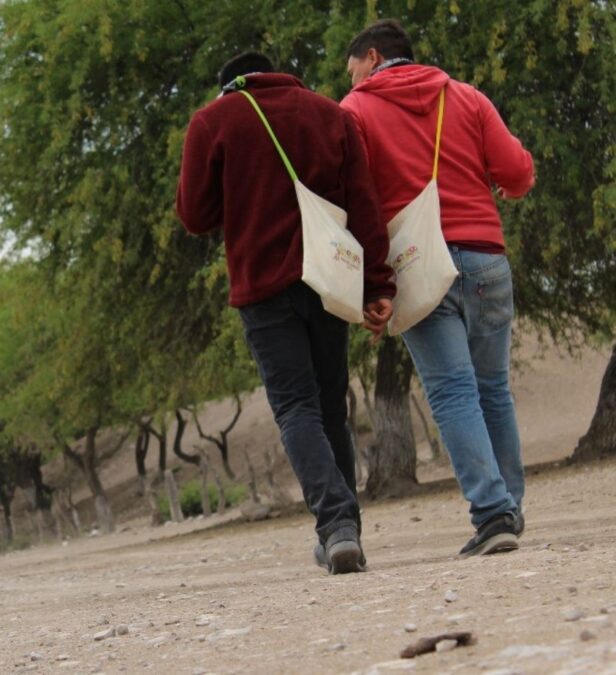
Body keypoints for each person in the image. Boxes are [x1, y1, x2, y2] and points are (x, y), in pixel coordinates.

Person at [176, 51, 395, 574]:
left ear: (227, 85)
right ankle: (346, 531)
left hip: (262, 285)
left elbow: (195, 215)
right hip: (330, 281)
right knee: (329, 406)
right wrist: (377, 285)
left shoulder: (212, 122)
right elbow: (364, 203)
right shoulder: (330, 113)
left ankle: (336, 524)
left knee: (296, 407)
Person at [341, 19, 535, 557]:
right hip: (486, 258)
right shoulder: (466, 97)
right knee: (493, 389)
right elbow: (517, 172)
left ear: (374, 58)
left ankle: (492, 513)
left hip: (417, 266)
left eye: (354, 72)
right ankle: (509, 509)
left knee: (452, 392)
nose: (352, 84)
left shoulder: (355, 111)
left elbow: (352, 196)